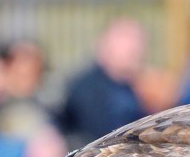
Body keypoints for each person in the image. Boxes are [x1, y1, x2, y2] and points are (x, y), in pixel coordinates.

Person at [58, 19, 147, 149]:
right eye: (126, 38)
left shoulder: (138, 87)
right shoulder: (86, 87)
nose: (135, 47)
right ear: (105, 46)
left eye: (138, 40)